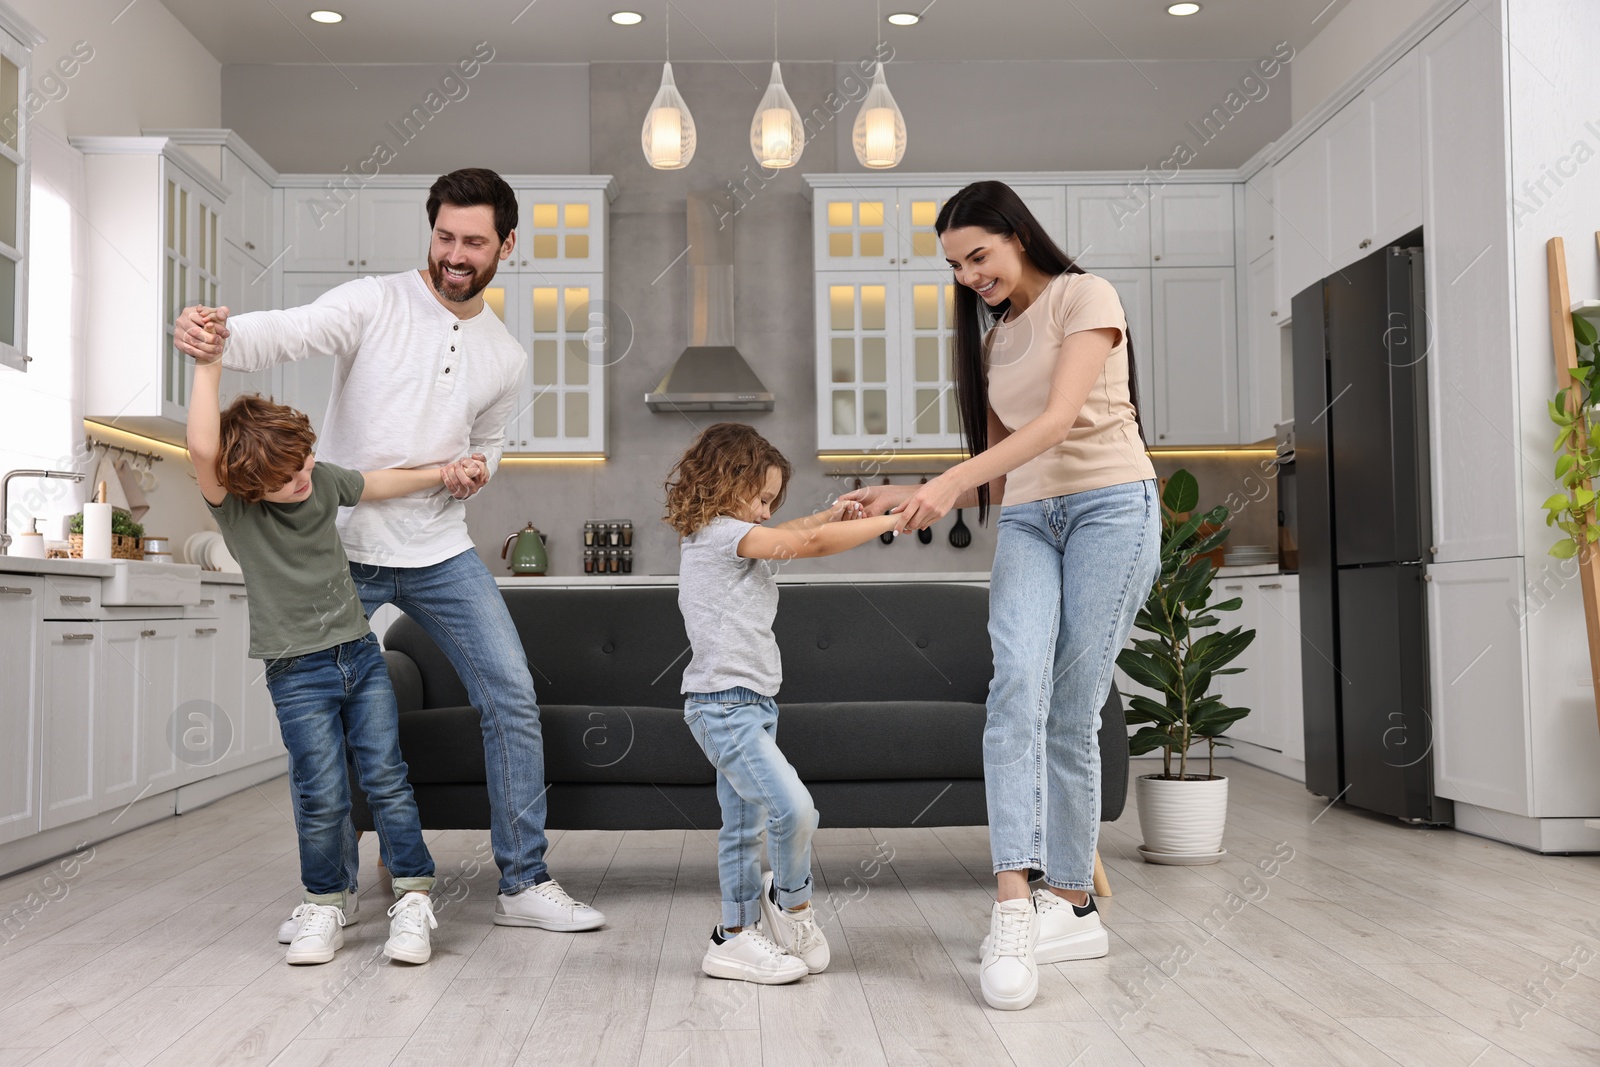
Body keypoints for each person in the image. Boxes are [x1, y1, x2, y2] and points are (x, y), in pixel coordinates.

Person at [172, 167, 605, 938]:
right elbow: (292, 330)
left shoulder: (503, 355)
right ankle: (330, 895)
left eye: (474, 241)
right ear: (431, 231)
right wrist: (218, 337)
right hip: (343, 548)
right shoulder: (375, 300)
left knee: (510, 693)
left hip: (440, 547)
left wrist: (479, 469)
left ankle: (525, 878)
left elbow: (490, 443)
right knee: (327, 722)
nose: (455, 253)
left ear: (507, 244)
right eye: (445, 235)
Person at [843, 181, 1160, 1011]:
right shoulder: (991, 343)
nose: (968, 275)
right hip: (1026, 518)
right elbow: (1006, 454)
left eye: (978, 255)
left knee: (1072, 706)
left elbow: (1056, 424)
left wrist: (948, 487)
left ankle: (1075, 902)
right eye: (954, 264)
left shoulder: (1086, 297)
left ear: (1018, 235)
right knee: (1016, 684)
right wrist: (901, 493)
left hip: (1110, 507)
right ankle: (1016, 903)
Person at [185, 354, 446, 966]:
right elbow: (202, 446)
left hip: (360, 655)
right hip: (297, 674)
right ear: (247, 486)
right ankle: (327, 902)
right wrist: (207, 366)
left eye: (303, 464)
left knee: (387, 779)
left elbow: (374, 483)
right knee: (322, 793)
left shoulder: (320, 479)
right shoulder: (240, 511)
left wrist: (440, 471)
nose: (302, 480)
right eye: (286, 478)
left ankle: (412, 899)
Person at [665, 423, 900, 985]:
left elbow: (800, 530)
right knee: (795, 809)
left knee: (741, 828)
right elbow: (807, 545)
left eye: (773, 501)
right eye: (762, 498)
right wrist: (890, 521)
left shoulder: (730, 536)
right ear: (728, 482)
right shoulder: (723, 535)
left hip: (752, 706)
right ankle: (791, 902)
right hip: (723, 707)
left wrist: (828, 514)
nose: (768, 512)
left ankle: (735, 937)